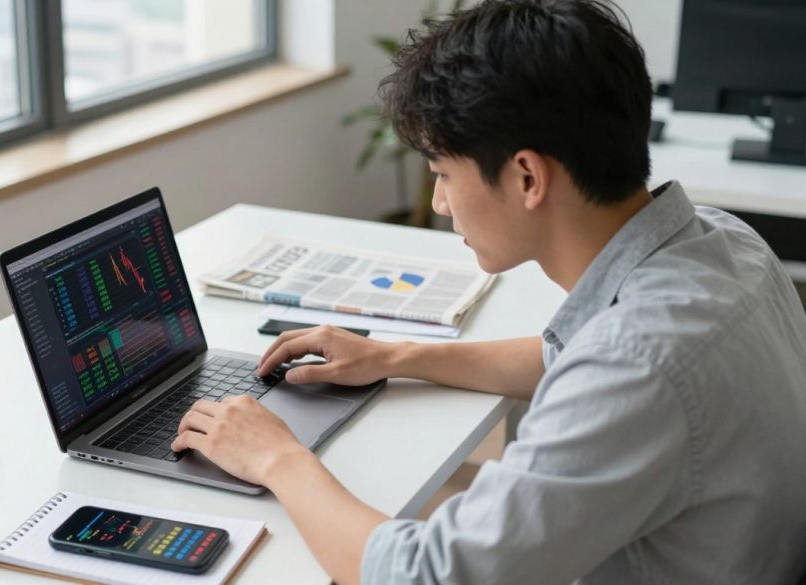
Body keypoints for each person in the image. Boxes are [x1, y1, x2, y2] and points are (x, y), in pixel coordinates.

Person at [170, 0, 806, 583]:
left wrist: (276, 458)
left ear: (527, 176)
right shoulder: (724, 242)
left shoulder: (637, 365)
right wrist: (396, 357)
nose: (441, 204)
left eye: (444, 173)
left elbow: (427, 575)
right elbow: (580, 356)